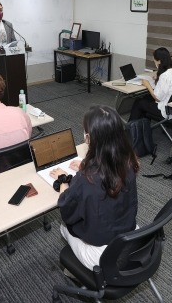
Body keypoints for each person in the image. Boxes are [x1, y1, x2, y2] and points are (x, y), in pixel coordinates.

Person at [49, 105, 139, 270]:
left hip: (101, 256)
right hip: (130, 238)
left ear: (89, 137)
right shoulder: (128, 162)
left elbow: (66, 209)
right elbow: (106, 175)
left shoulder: (85, 179)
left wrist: (63, 181)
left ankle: (79, 270)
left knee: (63, 226)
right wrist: (85, 165)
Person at [128, 47, 172, 121]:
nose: (154, 62)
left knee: (139, 102)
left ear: (159, 61)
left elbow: (158, 98)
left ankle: (130, 127)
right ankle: (142, 126)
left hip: (167, 111)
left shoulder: (165, 75)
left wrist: (147, 84)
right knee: (146, 97)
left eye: (154, 60)